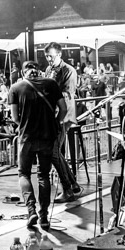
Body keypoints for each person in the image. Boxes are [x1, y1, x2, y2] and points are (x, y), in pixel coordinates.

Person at [8, 61, 68, 236]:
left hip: (27, 138)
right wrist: (55, 122)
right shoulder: (51, 84)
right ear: (39, 70)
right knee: (43, 175)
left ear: (23, 72)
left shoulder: (16, 88)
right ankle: (44, 216)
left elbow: (15, 118)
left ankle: (31, 211)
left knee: (24, 174)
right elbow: (63, 109)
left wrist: (26, 123)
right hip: (47, 137)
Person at [42, 43, 82, 200]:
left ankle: (68, 189)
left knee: (53, 152)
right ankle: (73, 184)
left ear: (59, 54)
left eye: (51, 56)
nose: (49, 59)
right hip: (53, 115)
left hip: (63, 115)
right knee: (56, 152)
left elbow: (66, 95)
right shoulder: (49, 69)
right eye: (46, 56)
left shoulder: (69, 71)